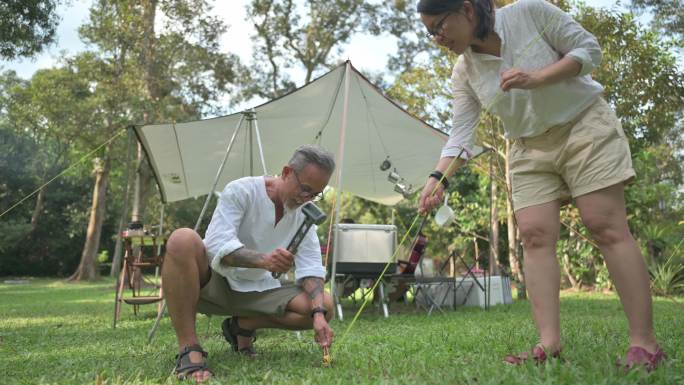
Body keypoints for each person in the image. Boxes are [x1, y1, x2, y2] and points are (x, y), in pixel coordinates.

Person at [416, 0, 665, 370]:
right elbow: (460, 136)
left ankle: (645, 345)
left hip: (583, 126)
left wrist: (538, 78)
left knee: (604, 224)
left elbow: (589, 51)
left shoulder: (530, 13)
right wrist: (438, 178)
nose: (436, 38)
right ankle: (549, 344)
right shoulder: (464, 72)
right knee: (533, 234)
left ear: (467, 10)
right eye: (429, 32)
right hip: (528, 146)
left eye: (439, 27)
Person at [162, 145, 336, 382]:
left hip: (259, 291)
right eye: (305, 189)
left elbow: (312, 269)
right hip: (214, 284)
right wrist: (265, 261)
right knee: (182, 238)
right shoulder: (242, 190)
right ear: (286, 172)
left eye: (315, 194)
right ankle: (189, 349)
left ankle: (242, 325)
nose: (307, 198)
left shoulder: (305, 216)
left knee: (325, 304)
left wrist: (317, 314)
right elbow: (216, 246)